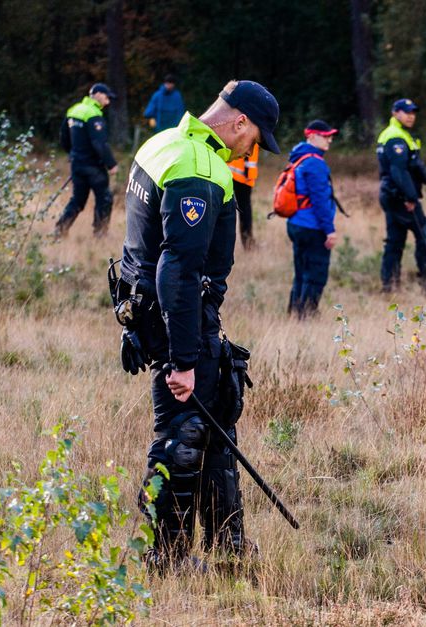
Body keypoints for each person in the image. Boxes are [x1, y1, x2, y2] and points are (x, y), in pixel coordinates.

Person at [116, 80, 280, 567]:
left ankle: (227, 540)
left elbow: (138, 248)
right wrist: (183, 359)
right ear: (239, 122)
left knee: (217, 415)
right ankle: (164, 554)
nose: (252, 151)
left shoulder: (162, 143)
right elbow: (178, 268)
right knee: (182, 434)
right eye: (255, 139)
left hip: (154, 311)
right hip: (180, 316)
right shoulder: (199, 166)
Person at [377, 98, 426, 293]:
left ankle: (390, 286)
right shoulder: (395, 137)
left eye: (413, 112)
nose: (411, 116)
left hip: (392, 195)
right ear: (395, 113)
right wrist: (410, 197)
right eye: (406, 112)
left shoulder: (399, 134)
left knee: (395, 241)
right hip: (400, 197)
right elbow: (399, 171)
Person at [286, 120, 339, 317]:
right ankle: (307, 314)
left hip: (296, 223)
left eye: (330, 136)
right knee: (316, 273)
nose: (329, 140)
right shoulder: (315, 163)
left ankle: (295, 311)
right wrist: (329, 230)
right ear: (312, 136)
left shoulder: (298, 158)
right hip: (312, 226)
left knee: (301, 272)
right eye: (325, 136)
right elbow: (320, 201)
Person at [54, 83, 119, 238]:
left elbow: (63, 138)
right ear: (97, 94)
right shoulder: (93, 114)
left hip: (77, 164)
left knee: (77, 200)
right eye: (106, 97)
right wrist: (111, 164)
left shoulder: (74, 110)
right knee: (104, 199)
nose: (107, 102)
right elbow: (99, 143)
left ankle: (60, 230)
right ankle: (100, 233)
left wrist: (73, 154)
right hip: (93, 166)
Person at [227, 144, 259, 249]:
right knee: (245, 209)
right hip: (243, 176)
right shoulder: (252, 133)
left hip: (232, 172)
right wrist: (249, 175)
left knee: (227, 208)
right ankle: (248, 242)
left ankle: (247, 242)